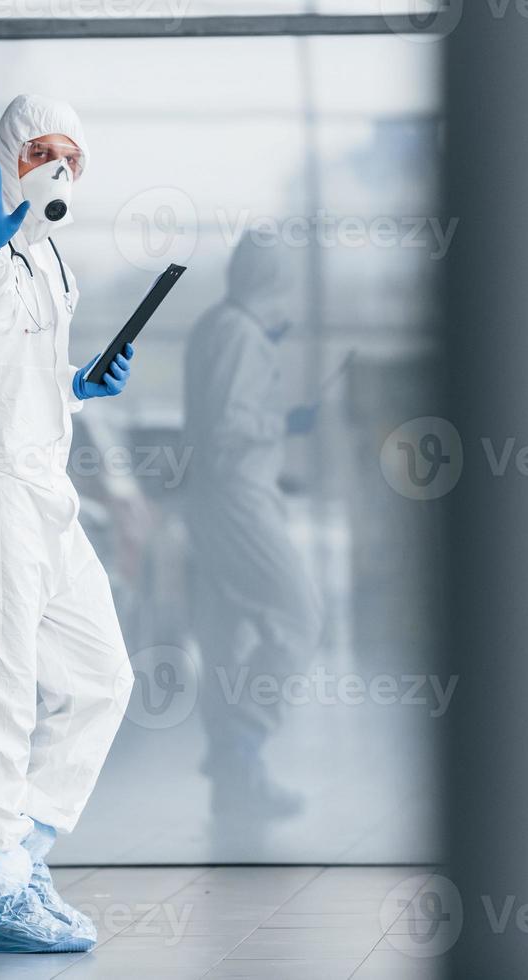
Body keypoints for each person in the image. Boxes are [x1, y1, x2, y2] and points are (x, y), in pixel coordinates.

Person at [0, 94, 135, 954]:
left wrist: (74, 384)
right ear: (10, 153)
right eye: (43, 151)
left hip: (47, 489)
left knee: (103, 678)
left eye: (72, 159)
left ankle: (18, 859)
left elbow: (14, 366)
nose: (59, 169)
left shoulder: (54, 264)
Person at [182, 233, 324, 830]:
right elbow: (229, 429)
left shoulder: (220, 326)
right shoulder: (239, 334)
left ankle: (239, 780)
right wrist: (285, 419)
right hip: (237, 500)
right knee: (298, 615)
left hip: (223, 499)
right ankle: (244, 738)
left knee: (229, 637)